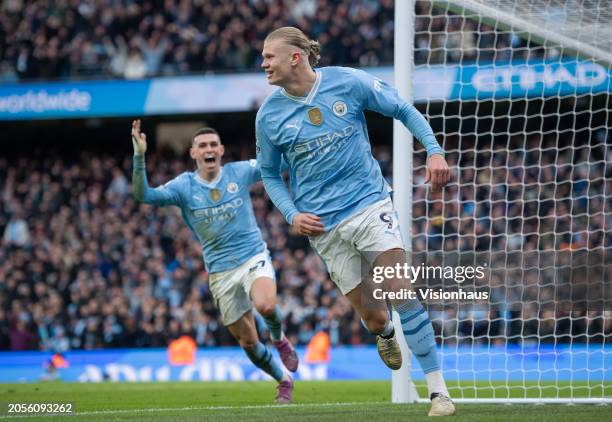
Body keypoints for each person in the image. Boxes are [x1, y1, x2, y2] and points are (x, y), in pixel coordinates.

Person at [255, 27, 454, 416]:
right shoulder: (269, 116)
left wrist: (433, 151)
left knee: (399, 286)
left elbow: (402, 108)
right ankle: (386, 332)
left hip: (369, 204)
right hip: (325, 228)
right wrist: (292, 214)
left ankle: (438, 391)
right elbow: (269, 174)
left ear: (295, 57)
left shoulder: (347, 82)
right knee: (374, 313)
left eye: (268, 56)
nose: (263, 63)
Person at [131, 120, 297, 403]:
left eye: (212, 145)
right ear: (193, 153)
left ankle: (279, 338)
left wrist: (288, 139)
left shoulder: (240, 171)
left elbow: (278, 165)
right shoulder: (183, 186)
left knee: (266, 305)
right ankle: (283, 380)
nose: (209, 150)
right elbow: (143, 195)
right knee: (248, 342)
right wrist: (139, 156)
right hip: (220, 271)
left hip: (252, 256)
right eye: (202, 146)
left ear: (221, 150)